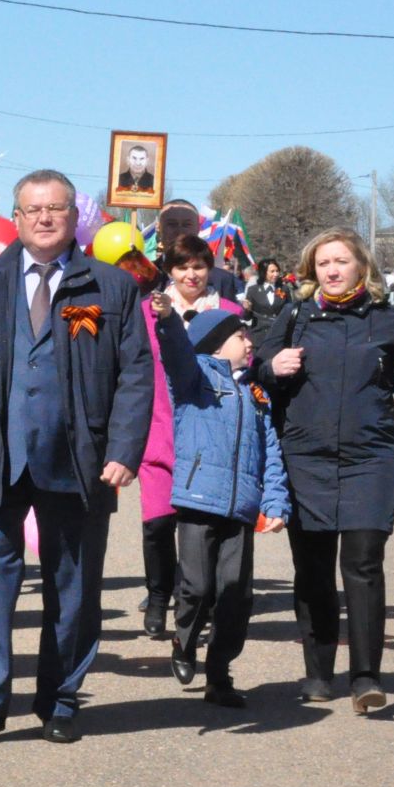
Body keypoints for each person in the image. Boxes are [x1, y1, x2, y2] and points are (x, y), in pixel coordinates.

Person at [0, 169, 152, 745]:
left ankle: (61, 697)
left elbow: (136, 378)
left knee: (73, 586)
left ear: (75, 218)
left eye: (57, 208)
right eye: (33, 209)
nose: (45, 218)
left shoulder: (110, 287)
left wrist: (124, 450)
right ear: (16, 218)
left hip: (81, 460)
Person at [253, 228, 394, 715]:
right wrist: (271, 366)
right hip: (305, 458)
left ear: (361, 267)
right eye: (323, 263)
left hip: (373, 460)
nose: (331, 270)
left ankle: (366, 676)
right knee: (314, 570)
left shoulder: (390, 323)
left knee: (363, 564)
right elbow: (260, 371)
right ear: (312, 270)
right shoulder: (296, 316)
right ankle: (319, 672)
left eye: (341, 261)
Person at [149, 297, 290, 707]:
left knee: (235, 595)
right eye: (239, 335)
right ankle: (184, 642)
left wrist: (276, 502)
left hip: (242, 508)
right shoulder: (194, 378)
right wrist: (169, 320)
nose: (249, 341)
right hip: (198, 500)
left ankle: (219, 675)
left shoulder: (255, 392)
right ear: (214, 343)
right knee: (196, 585)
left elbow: (271, 453)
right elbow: (175, 350)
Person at [137, 235, 244, 639]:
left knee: (199, 527)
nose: (191, 275)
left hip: (209, 432)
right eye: (182, 267)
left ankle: (195, 601)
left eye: (198, 266)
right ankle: (158, 597)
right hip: (159, 429)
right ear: (169, 270)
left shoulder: (230, 312)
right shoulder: (147, 311)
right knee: (157, 523)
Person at [157, 201, 243, 301]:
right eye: (172, 224)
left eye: (187, 225)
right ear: (159, 228)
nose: (179, 231)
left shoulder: (222, 280)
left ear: (198, 228)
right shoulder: (144, 275)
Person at [246, 258, 287, 329]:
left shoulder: (283, 289)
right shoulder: (253, 290)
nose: (276, 274)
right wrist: (246, 309)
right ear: (263, 272)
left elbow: (289, 310)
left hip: (280, 330)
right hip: (260, 332)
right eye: (272, 271)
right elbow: (247, 317)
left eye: (277, 271)